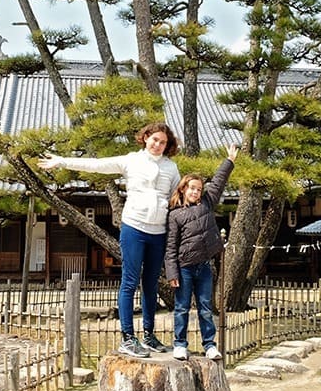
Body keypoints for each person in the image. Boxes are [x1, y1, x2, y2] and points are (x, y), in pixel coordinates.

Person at [38, 122, 180, 358]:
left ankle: (148, 335)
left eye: (163, 142)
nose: (158, 145)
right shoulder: (131, 160)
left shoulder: (171, 168)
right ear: (145, 137)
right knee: (130, 281)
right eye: (154, 139)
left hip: (158, 231)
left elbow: (179, 195)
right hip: (134, 226)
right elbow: (96, 165)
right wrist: (62, 160)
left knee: (151, 283)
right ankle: (127, 337)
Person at [165, 144, 238, 361]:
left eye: (198, 188)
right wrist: (172, 273)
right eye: (192, 188)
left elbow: (219, 181)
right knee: (182, 307)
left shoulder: (207, 203)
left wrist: (230, 161)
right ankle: (180, 344)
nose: (196, 191)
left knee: (206, 307)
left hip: (204, 266)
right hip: (184, 267)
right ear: (183, 189)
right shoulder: (175, 215)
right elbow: (170, 246)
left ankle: (209, 345)